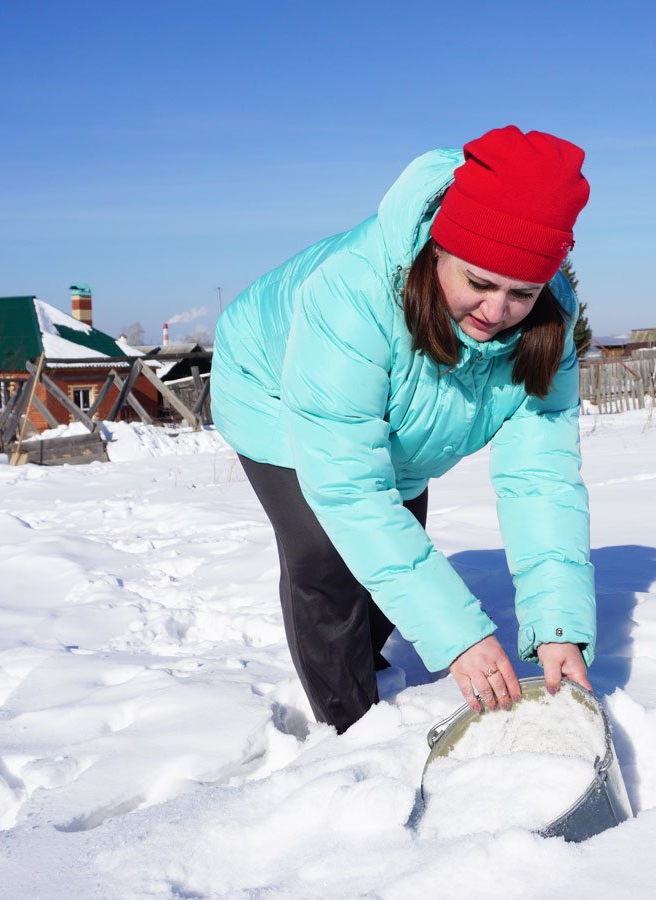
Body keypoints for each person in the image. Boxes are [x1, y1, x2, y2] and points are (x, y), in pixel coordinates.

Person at [212, 125, 596, 734]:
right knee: (326, 557)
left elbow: (541, 479)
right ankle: (351, 729)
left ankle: (362, 658)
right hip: (270, 382)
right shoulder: (353, 296)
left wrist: (559, 625)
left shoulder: (546, 322)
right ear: (439, 249)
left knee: (390, 554)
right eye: (478, 283)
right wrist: (457, 636)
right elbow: (351, 490)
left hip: (402, 417)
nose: (496, 313)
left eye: (521, 292)